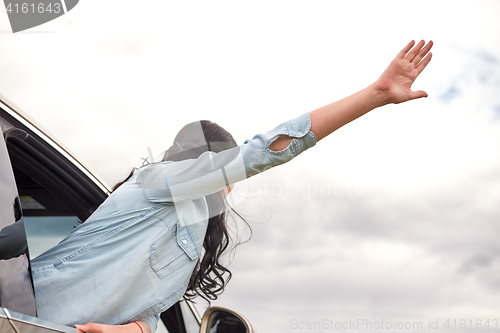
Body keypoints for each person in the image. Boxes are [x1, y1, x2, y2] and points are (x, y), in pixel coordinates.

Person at [30, 40, 433, 333]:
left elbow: (151, 309)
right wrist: (374, 95)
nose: (229, 184)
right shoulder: (159, 183)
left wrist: (133, 330)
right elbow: (264, 151)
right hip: (26, 316)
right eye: (221, 169)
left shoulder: (187, 233)